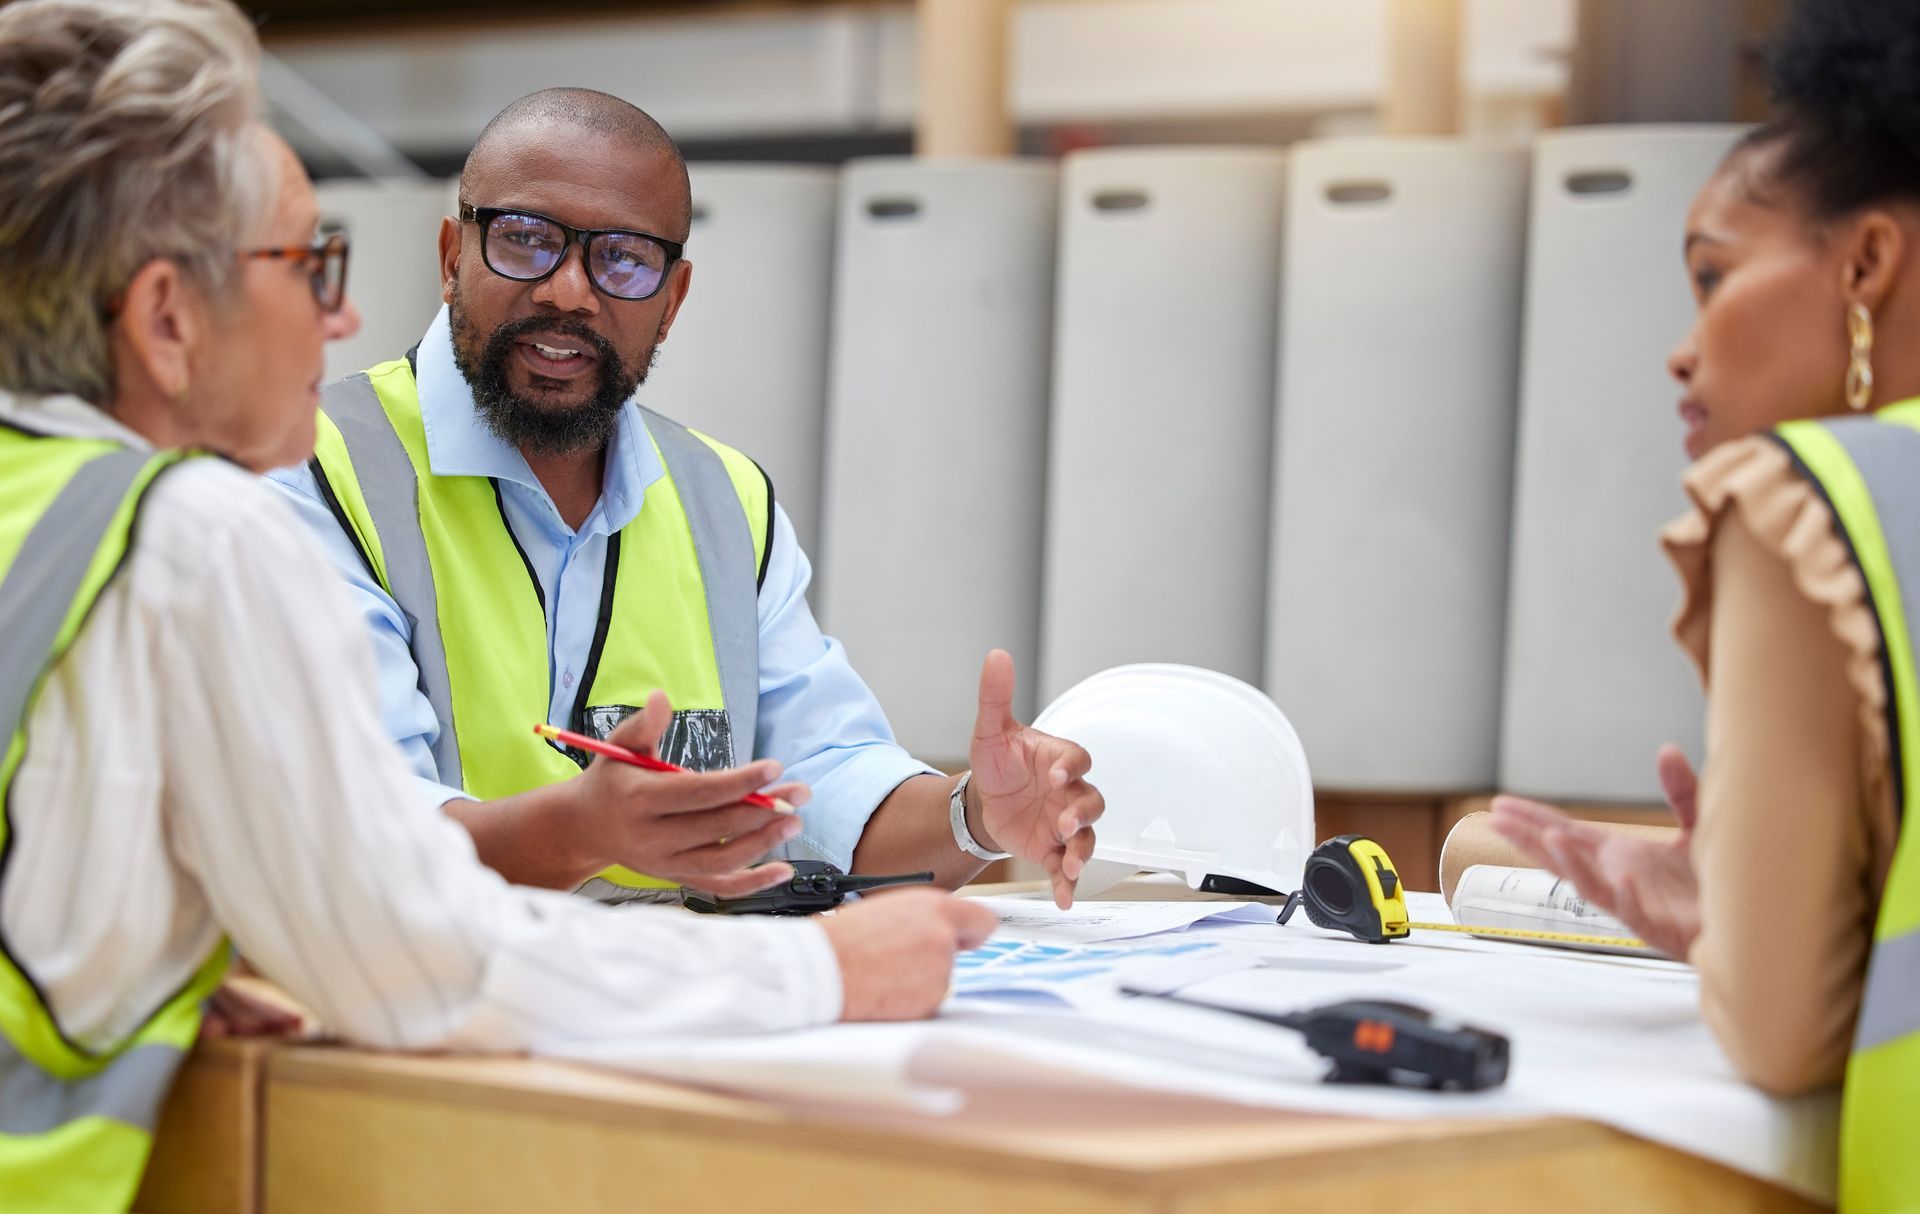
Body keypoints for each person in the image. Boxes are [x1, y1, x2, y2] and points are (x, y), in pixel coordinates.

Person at [0, 3, 995, 1208]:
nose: (341, 317)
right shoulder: (194, 533)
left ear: (673, 295)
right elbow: (417, 960)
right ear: (165, 319)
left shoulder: (49, 506)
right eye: (307, 266)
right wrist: (825, 974)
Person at [267, 88, 1103, 911]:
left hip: (680, 1009)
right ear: (453, 257)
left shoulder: (725, 500)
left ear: (672, 301)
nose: (568, 290)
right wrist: (584, 831)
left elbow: (826, 784)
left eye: (623, 258)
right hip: (437, 1016)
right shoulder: (314, 463)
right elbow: (364, 832)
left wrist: (977, 815)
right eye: (525, 241)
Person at [1488, 1, 1920, 1207]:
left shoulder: (1810, 504)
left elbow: (1781, 1031)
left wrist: (1739, 924)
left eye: (1713, 276)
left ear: (1867, 265)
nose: (1683, 351)